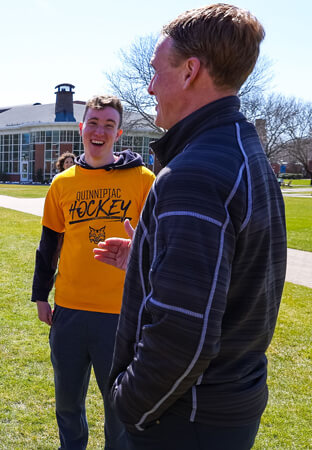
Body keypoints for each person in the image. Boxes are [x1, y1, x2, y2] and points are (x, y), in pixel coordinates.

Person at [93, 5, 286, 449]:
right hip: (224, 409)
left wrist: (128, 407)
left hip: (183, 420)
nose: (149, 85)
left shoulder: (194, 173)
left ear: (190, 71)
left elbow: (183, 338)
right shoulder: (241, 149)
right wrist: (148, 265)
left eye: (157, 70)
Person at [31, 95, 154, 449]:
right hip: (69, 311)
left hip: (120, 313)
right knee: (67, 403)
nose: (99, 131)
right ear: (81, 127)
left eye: (109, 125)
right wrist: (41, 296)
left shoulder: (143, 179)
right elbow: (48, 246)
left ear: (118, 132)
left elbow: (160, 243)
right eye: (94, 123)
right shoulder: (62, 183)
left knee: (118, 405)